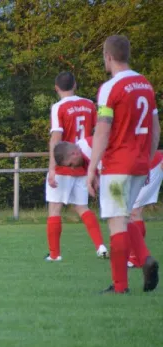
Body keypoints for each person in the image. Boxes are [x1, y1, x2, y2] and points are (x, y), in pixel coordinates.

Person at [86, 35, 160, 294]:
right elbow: (155, 129)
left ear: (107, 56)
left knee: (116, 221)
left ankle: (120, 286)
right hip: (140, 163)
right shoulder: (146, 85)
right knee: (125, 217)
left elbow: (103, 131)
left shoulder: (110, 87)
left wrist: (91, 167)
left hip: (117, 167)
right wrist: (148, 161)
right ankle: (146, 258)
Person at [54, 139, 162, 268]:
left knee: (132, 211)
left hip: (147, 165)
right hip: (136, 166)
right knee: (128, 212)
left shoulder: (88, 150)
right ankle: (135, 256)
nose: (72, 168)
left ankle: (136, 258)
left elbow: (108, 167)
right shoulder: (83, 148)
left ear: (73, 154)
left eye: (71, 164)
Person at [45, 71, 108, 261]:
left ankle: (55, 255)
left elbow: (56, 138)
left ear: (56, 88)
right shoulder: (90, 105)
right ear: (75, 85)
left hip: (65, 163)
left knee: (55, 208)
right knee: (82, 207)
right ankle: (100, 246)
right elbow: (99, 133)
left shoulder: (58, 107)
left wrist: (52, 168)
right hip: (84, 163)